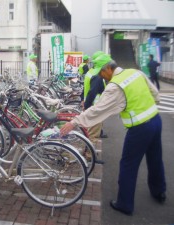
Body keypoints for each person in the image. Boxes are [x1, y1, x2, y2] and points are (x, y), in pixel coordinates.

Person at [60, 54, 166, 215]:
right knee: (155, 158)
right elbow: (155, 94)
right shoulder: (135, 72)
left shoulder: (115, 86)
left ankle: (124, 203)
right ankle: (159, 192)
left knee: (128, 165)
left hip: (139, 129)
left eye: (102, 73)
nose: (101, 76)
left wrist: (74, 122)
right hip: (155, 120)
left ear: (108, 68)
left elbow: (98, 109)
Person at [83, 51, 107, 140]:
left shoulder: (91, 72)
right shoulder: (97, 75)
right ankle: (90, 153)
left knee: (92, 131)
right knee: (92, 134)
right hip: (95, 106)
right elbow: (93, 92)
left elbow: (86, 89)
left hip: (91, 105)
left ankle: (90, 151)